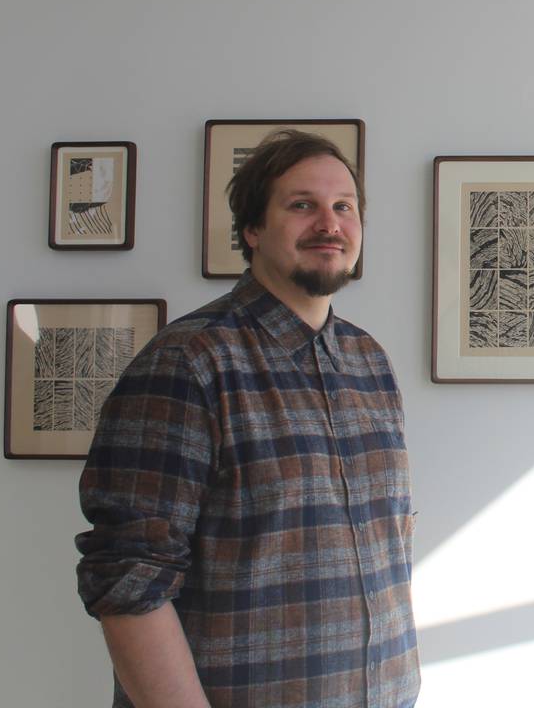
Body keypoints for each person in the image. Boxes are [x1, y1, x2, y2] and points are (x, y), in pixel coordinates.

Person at [76, 129, 419, 708]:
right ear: (253, 230)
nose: (329, 224)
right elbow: (128, 581)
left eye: (344, 207)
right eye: (302, 205)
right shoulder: (187, 362)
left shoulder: (369, 362)